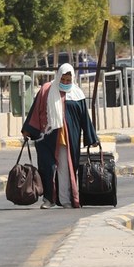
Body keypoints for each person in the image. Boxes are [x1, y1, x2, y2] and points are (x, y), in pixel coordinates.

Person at [21, 63, 100, 209]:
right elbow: (35, 110)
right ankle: (48, 200)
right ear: (58, 77)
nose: (64, 83)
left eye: (67, 81)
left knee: (66, 169)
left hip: (68, 140)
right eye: (62, 80)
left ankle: (65, 200)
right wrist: (28, 130)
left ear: (72, 80)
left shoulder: (77, 94)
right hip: (47, 137)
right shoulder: (47, 90)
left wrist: (92, 138)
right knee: (47, 168)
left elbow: (84, 118)